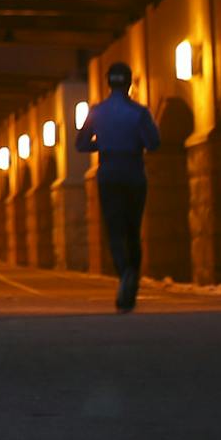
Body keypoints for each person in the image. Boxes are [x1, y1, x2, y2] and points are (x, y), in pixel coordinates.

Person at [77, 61, 160, 312]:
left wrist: (101, 145)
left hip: (109, 174)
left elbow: (80, 144)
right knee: (133, 230)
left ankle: (124, 273)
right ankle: (132, 282)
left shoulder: (96, 112)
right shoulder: (140, 113)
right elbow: (154, 143)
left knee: (114, 229)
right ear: (129, 82)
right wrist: (135, 142)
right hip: (134, 173)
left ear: (108, 83)